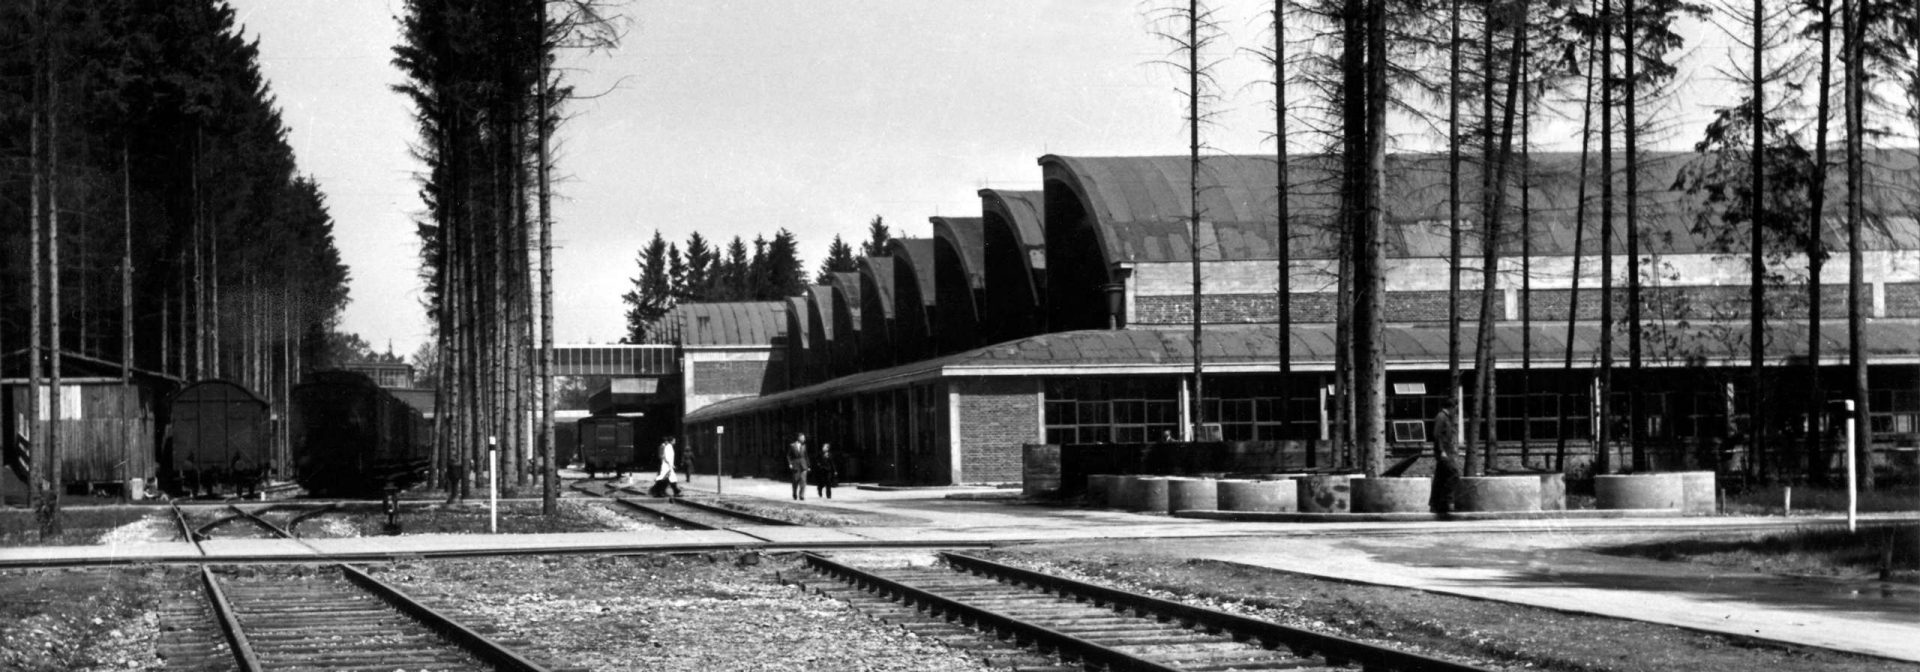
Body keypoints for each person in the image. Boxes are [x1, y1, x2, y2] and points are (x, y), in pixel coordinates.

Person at [1430, 407, 1461, 519]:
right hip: (1442, 452)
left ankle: (1436, 504)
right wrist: (1441, 450)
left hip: (1446, 451)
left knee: (1440, 477)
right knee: (1454, 473)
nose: (1455, 413)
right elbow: (1437, 434)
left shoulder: (1446, 418)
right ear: (1451, 408)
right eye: (1455, 410)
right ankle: (1447, 501)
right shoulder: (1441, 417)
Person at [787, 432, 810, 500]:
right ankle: (794, 492)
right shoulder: (792, 445)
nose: (804, 439)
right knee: (795, 480)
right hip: (795, 465)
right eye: (803, 438)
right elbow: (788, 456)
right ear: (799, 438)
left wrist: (808, 466)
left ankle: (801, 495)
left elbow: (806, 456)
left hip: (803, 465)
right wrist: (790, 464)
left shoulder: (804, 446)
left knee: (803, 480)